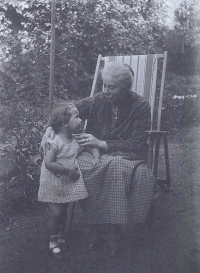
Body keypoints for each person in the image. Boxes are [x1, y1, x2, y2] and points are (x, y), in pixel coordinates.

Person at [41, 62, 156, 257]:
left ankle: (113, 229)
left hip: (124, 155)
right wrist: (50, 127)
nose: (106, 91)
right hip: (92, 154)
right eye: (104, 85)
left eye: (112, 87)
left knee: (116, 167)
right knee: (83, 167)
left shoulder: (140, 106)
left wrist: (103, 144)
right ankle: (97, 225)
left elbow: (137, 144)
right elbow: (66, 112)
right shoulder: (98, 100)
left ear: (126, 88)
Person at [38, 102, 101, 260]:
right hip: (52, 182)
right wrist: (67, 170)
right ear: (65, 123)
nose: (81, 120)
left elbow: (90, 146)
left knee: (64, 210)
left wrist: (96, 156)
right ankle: (52, 242)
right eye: (77, 117)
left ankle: (60, 236)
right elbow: (49, 163)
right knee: (56, 213)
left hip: (66, 182)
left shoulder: (76, 139)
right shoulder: (53, 142)